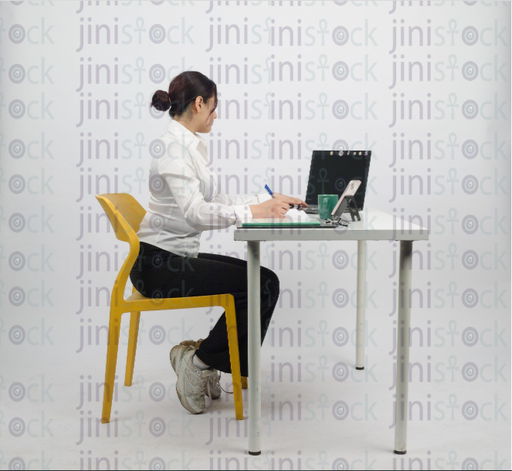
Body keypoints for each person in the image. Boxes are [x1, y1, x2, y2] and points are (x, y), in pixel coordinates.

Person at [130, 71, 307, 415]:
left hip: (174, 258)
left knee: (264, 281)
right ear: (199, 103)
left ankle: (201, 359)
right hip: (159, 268)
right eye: (214, 107)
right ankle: (198, 364)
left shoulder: (187, 146)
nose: (216, 114)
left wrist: (266, 200)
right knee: (260, 285)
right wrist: (253, 211)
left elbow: (216, 198)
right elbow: (197, 214)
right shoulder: (173, 151)